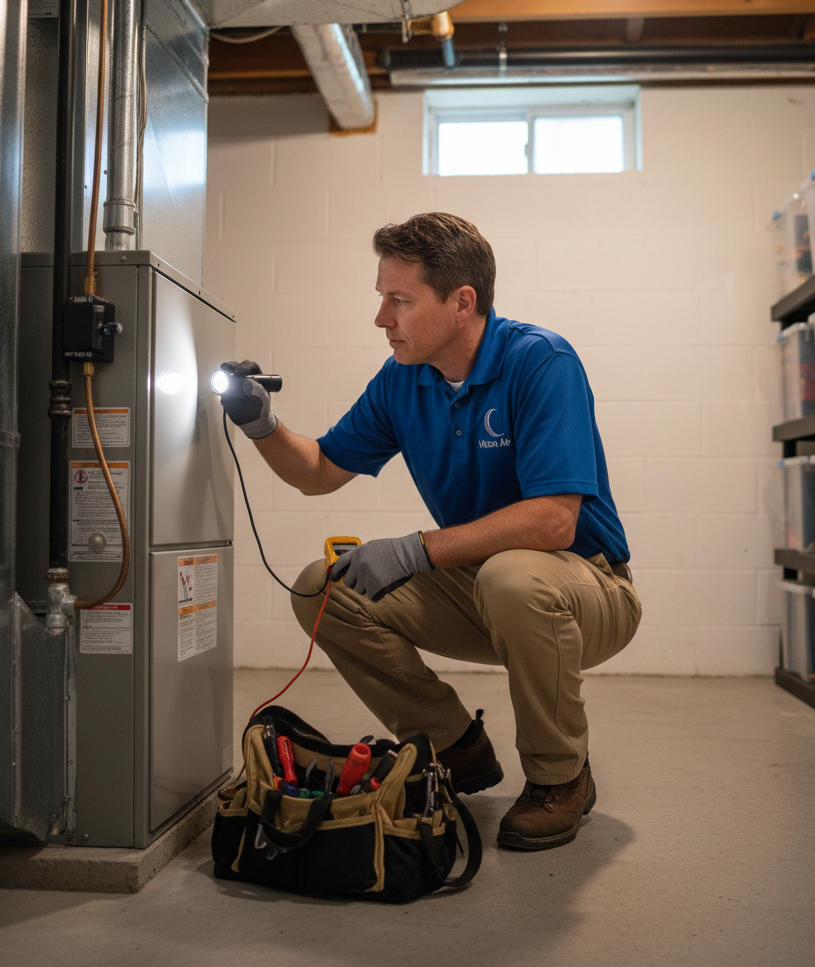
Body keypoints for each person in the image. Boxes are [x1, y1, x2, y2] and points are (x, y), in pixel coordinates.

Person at [223, 212, 641, 851]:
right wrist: (261, 424)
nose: (381, 318)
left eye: (400, 300)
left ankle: (561, 779)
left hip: (589, 588)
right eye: (381, 298)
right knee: (320, 589)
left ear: (462, 302)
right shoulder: (404, 379)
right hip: (485, 587)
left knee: (512, 577)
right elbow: (319, 470)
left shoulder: (540, 361)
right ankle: (455, 748)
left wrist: (417, 551)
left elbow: (555, 520)